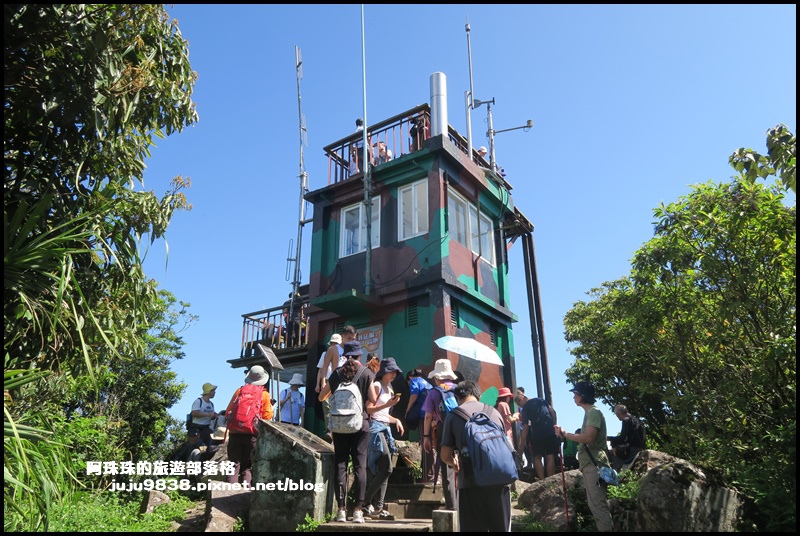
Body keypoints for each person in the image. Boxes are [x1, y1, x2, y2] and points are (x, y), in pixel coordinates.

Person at [440, 380, 512, 532]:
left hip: (470, 484)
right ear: (478, 395)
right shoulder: (495, 413)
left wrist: (454, 463)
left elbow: (445, 455)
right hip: (500, 483)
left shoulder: (453, 416)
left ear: (458, 397)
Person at [318, 356, 375, 524]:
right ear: (359, 358)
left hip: (340, 425)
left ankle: (341, 510)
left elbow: (322, 396)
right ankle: (358, 510)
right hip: (360, 424)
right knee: (360, 465)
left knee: (340, 465)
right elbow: (372, 398)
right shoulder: (366, 373)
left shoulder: (336, 374)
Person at [554, 381, 614, 532]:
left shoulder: (593, 412)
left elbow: (589, 438)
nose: (574, 397)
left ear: (583, 396)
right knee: (596, 505)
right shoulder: (590, 412)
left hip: (594, 464)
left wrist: (566, 434)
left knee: (598, 505)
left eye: (576, 394)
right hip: (593, 464)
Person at [364, 358, 404, 520]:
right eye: (391, 371)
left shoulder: (390, 388)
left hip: (385, 428)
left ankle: (377, 508)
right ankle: (367, 503)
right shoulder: (376, 385)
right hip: (375, 429)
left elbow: (385, 414)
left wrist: (396, 420)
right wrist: (387, 405)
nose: (394, 374)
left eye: (395, 372)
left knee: (385, 470)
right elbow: (369, 408)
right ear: (383, 372)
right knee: (387, 468)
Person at [225, 366, 274, 486]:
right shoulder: (265, 395)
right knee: (247, 466)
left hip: (235, 432)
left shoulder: (239, 391)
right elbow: (267, 417)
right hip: (252, 434)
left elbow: (228, 412)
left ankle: (228, 492)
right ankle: (245, 494)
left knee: (233, 464)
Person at [421, 358, 458, 510]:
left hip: (444, 430)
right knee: (462, 464)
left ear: (436, 377)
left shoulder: (433, 393)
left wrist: (426, 437)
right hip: (460, 429)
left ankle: (451, 506)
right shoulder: (459, 389)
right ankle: (464, 504)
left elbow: (428, 416)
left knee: (446, 466)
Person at [516, 391, 560, 480]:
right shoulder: (541, 401)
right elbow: (553, 412)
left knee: (537, 456)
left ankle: (542, 479)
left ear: (521, 399)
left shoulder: (525, 408)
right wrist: (554, 425)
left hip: (537, 434)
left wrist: (521, 445)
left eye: (518, 404)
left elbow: (525, 428)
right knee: (550, 455)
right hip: (549, 431)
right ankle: (551, 480)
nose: (520, 406)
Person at [405, 367, 433, 482]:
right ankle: (432, 475)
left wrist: (408, 410)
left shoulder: (414, 381)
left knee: (426, 445)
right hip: (432, 416)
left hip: (423, 417)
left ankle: (427, 477)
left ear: (410, 378)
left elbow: (414, 395)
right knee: (431, 444)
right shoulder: (427, 383)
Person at [317, 325, 357, 393]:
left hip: (349, 383)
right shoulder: (333, 349)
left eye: (353, 339)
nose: (351, 341)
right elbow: (325, 366)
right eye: (349, 338)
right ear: (343, 336)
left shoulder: (354, 350)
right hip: (336, 380)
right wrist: (323, 382)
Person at [608, 404, 646, 470]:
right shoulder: (635, 419)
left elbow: (622, 438)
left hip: (632, 450)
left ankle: (617, 472)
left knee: (611, 453)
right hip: (641, 448)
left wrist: (608, 438)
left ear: (618, 413)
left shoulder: (626, 420)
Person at [190, 383, 223, 447]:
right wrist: (208, 414)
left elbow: (211, 417)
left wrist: (214, 416)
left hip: (206, 427)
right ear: (209, 391)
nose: (214, 392)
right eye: (213, 390)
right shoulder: (199, 401)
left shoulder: (211, 404)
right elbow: (194, 413)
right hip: (197, 427)